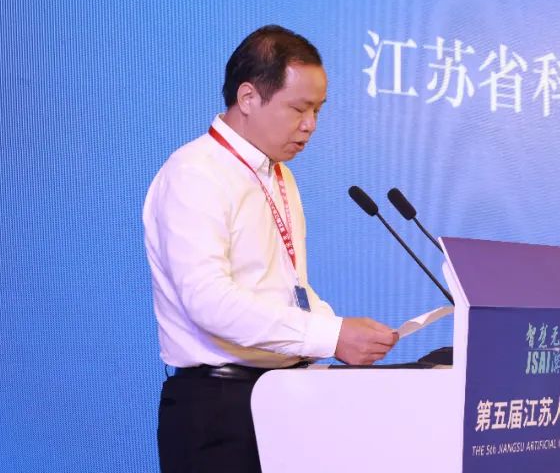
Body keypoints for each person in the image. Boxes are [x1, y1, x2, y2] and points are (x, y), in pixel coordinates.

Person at [143, 25, 398, 473]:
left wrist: (339, 328)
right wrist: (331, 336)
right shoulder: (195, 172)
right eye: (299, 108)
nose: (310, 125)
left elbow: (287, 289)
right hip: (220, 410)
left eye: (317, 110)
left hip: (282, 399)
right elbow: (208, 301)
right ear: (248, 97)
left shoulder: (279, 176)